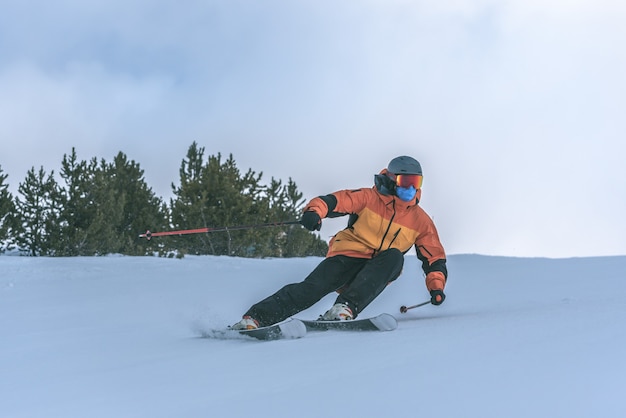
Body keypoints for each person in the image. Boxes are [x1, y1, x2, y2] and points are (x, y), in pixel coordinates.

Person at [231, 155, 448, 330]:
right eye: (405, 182)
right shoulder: (368, 198)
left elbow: (434, 257)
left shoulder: (421, 221)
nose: (410, 189)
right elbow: (334, 201)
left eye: (415, 183)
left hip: (376, 271)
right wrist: (314, 212)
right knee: (312, 289)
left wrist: (436, 287)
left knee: (394, 257)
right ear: (392, 179)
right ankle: (255, 318)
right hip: (347, 257)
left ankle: (344, 308)